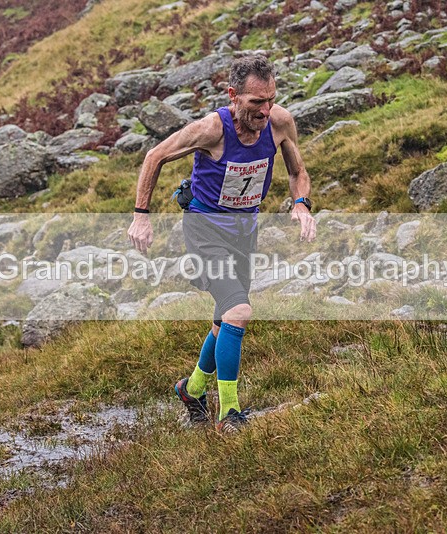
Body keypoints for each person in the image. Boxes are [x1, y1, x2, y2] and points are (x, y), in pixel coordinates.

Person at [127, 55, 316, 433]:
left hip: (244, 231)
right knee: (240, 310)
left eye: (270, 100)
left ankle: (191, 389)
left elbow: (298, 171)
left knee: (224, 320)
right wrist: (140, 215)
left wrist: (301, 204)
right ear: (233, 96)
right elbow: (155, 156)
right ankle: (230, 413)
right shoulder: (211, 129)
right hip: (205, 229)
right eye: (255, 103)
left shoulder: (279, 122)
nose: (265, 110)